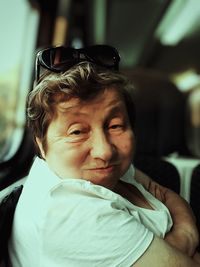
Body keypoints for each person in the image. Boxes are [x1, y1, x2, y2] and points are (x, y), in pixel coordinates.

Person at [9, 45, 200, 266]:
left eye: (115, 125)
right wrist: (187, 233)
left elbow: (168, 195)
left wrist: (179, 240)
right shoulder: (72, 216)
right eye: (77, 131)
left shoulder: (95, 171)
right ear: (41, 144)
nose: (105, 151)